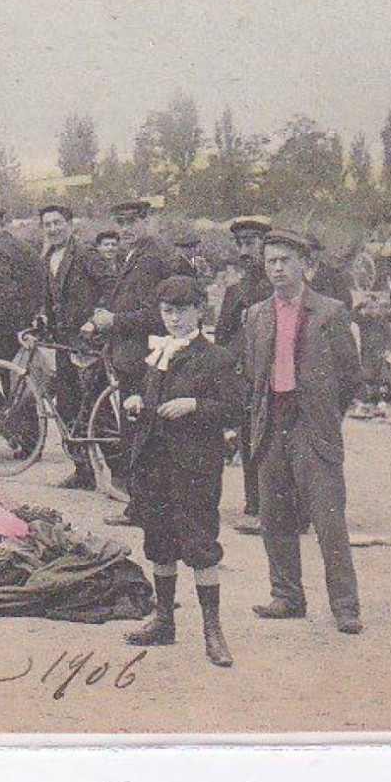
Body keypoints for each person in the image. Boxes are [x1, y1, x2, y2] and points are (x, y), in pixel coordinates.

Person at [244, 229, 363, 635]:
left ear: (304, 265)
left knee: (328, 518)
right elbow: (252, 374)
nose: (277, 269)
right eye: (271, 262)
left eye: (285, 261)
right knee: (274, 517)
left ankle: (345, 606)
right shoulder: (257, 315)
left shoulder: (330, 313)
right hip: (271, 422)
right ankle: (287, 596)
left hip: (312, 425)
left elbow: (350, 374)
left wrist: (325, 414)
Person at [120, 276, 243, 663]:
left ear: (199, 311)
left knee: (201, 545)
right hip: (155, 464)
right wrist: (139, 399)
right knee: (159, 541)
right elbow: (151, 394)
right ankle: (164, 621)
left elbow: (236, 410)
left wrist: (194, 405)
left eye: (182, 311)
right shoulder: (158, 353)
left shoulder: (216, 357)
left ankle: (213, 632)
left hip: (194, 467)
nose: (174, 319)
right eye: (167, 311)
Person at [39, 203, 111, 490]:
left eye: (58, 223)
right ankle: (83, 471)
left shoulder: (84, 254)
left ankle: (116, 472)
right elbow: (50, 297)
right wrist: (42, 315)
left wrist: (97, 319)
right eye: (48, 225)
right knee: (68, 405)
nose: (53, 229)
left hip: (87, 341)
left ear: (69, 224)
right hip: (63, 342)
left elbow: (111, 285)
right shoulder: (47, 257)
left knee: (96, 405)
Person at [83, 199, 180, 399]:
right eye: (121, 223)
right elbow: (126, 299)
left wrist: (113, 320)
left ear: (146, 221)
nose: (125, 229)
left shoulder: (149, 259)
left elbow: (155, 314)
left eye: (132, 222)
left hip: (140, 358)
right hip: (131, 354)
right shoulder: (134, 253)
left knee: (136, 420)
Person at [214, 215, 274, 528]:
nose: (245, 250)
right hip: (242, 377)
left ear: (265, 244)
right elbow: (222, 335)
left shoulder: (276, 288)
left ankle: (271, 504)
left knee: (270, 440)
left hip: (272, 375)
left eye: (251, 243)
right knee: (249, 437)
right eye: (241, 244)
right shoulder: (234, 290)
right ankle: (254, 503)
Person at [0, 207, 44, 361]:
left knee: (6, 375)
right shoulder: (23, 246)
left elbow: (0, 295)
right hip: (30, 324)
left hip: (6, 330)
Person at [305, 232, 356, 308]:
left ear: (319, 252)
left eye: (313, 250)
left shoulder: (331, 274)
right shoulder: (296, 272)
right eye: (305, 251)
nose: (309, 255)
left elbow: (347, 299)